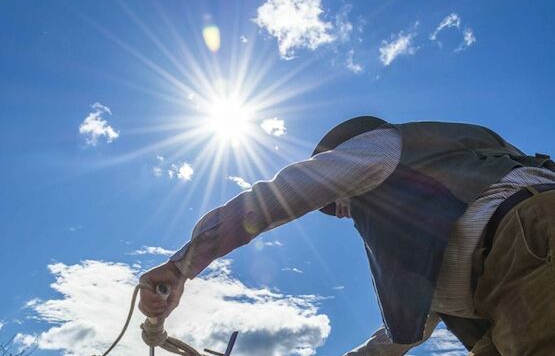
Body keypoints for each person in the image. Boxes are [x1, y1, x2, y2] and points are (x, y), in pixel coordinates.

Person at [139, 116, 555, 355]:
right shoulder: (427, 235)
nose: (336, 212)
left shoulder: (379, 147)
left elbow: (284, 193)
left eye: (333, 199)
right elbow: (397, 340)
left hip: (528, 242)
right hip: (504, 289)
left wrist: (183, 265)